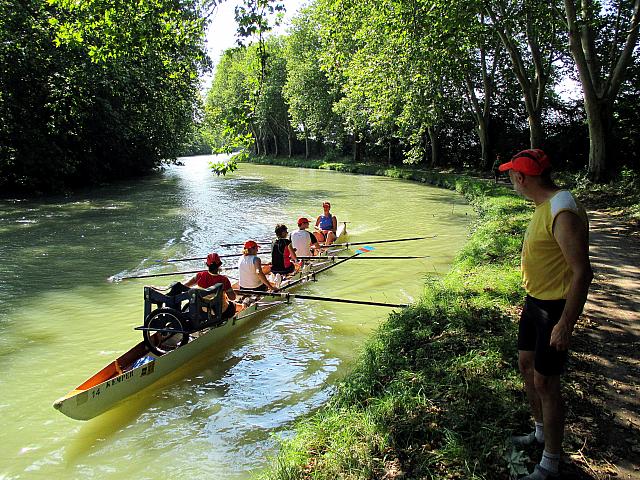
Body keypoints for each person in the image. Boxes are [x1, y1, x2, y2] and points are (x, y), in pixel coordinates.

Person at [499, 149, 593, 480]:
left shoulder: (561, 210)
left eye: (512, 175)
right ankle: (539, 432)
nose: (510, 180)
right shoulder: (543, 205)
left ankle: (550, 462)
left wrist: (566, 323)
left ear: (522, 179)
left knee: (546, 382)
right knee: (526, 366)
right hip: (535, 303)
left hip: (554, 309)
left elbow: (582, 272)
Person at [167, 253, 237, 320]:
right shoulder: (224, 280)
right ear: (219, 265)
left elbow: (185, 286)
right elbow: (233, 297)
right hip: (219, 312)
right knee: (233, 305)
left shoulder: (199, 275)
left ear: (207, 265)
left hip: (202, 310)